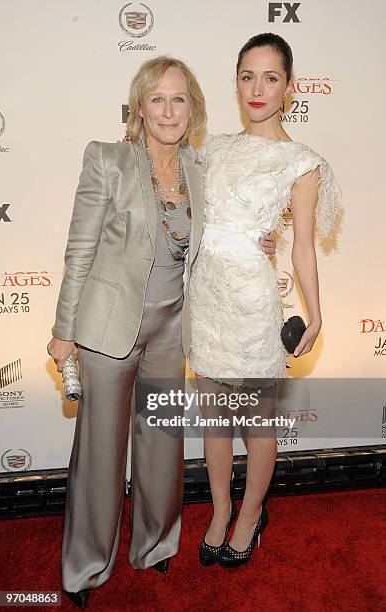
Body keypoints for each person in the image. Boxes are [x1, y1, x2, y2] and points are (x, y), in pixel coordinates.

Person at [47, 55, 275, 608]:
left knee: (162, 447)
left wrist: (258, 245)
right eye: (157, 99)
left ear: (192, 107)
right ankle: (86, 565)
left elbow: (225, 234)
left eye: (179, 99)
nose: (168, 110)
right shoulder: (108, 160)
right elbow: (79, 249)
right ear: (139, 107)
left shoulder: (202, 168)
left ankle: (153, 545)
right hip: (107, 330)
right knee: (100, 453)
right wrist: (63, 329)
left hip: (174, 329)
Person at [188, 33, 341, 568]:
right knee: (214, 423)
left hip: (254, 304)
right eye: (248, 76)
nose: (258, 88)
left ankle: (251, 515)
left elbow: (301, 245)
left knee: (256, 425)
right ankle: (218, 509)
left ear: (290, 87)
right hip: (206, 299)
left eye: (271, 77)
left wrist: (315, 310)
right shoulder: (211, 151)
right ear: (235, 83)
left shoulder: (301, 162)